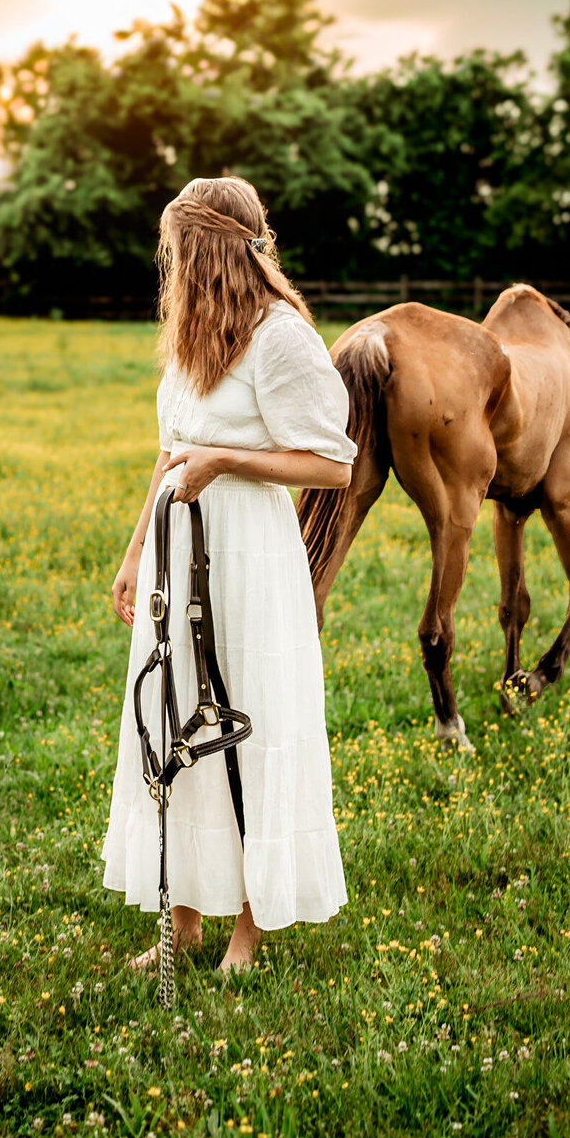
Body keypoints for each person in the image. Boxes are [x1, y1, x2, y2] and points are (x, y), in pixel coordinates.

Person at [101, 176, 357, 975]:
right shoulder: (187, 334)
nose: (169, 265)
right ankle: (184, 919)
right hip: (180, 550)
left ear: (207, 248)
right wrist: (136, 548)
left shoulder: (281, 337)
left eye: (178, 250)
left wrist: (225, 462)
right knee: (174, 717)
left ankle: (249, 928)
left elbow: (331, 466)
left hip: (249, 556)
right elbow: (171, 449)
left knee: (252, 721)